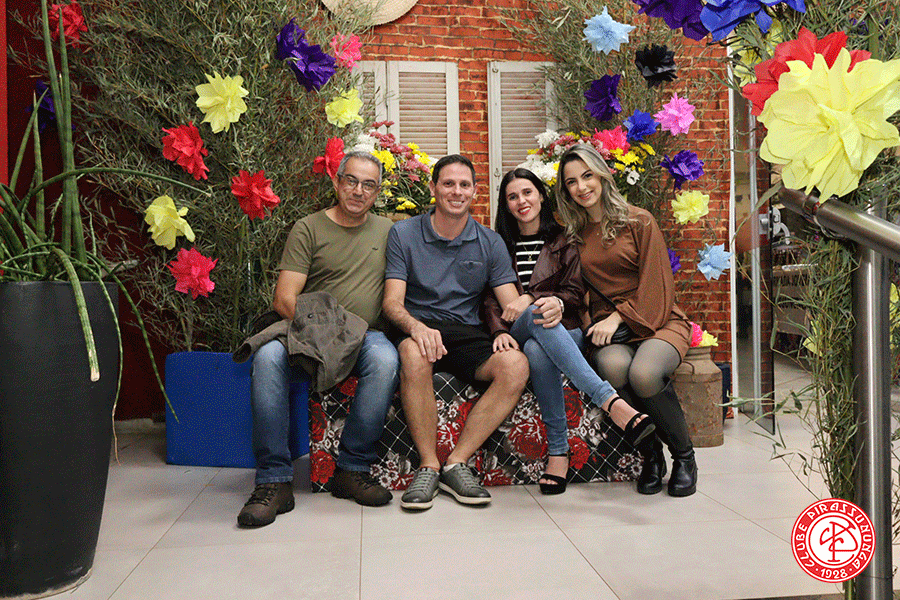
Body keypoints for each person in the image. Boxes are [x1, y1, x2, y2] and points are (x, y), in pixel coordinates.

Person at [237, 151, 399, 527]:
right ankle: (274, 481)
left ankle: (352, 469)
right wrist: (328, 334)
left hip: (365, 336)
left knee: (386, 359)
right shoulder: (308, 228)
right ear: (337, 182)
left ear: (377, 193)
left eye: (369, 185)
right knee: (267, 357)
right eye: (351, 180)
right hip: (308, 333)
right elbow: (284, 300)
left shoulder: (388, 231)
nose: (358, 191)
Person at [485, 168, 656, 495]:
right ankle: (611, 402)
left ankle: (558, 455)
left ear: (541, 195)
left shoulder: (565, 240)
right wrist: (498, 330)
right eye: (512, 197)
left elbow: (576, 292)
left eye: (527, 192)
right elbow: (488, 297)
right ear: (505, 205)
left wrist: (552, 301)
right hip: (517, 327)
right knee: (535, 316)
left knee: (538, 349)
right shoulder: (498, 246)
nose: (521, 201)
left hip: (565, 327)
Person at [382, 154, 530, 510]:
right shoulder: (403, 234)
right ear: (433, 188)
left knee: (515, 365)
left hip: (466, 332)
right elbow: (392, 302)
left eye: (465, 185)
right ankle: (429, 466)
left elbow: (510, 303)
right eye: (448, 183)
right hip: (419, 327)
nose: (456, 191)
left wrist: (534, 301)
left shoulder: (490, 241)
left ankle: (456, 463)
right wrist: (416, 327)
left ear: (475, 192)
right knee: (412, 352)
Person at [555, 144, 697, 498]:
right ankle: (652, 456)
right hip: (610, 329)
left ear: (603, 175)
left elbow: (658, 285)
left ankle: (684, 457)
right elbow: (579, 291)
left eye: (587, 176)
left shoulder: (638, 220)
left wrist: (619, 316)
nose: (581, 187)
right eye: (571, 182)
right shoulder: (574, 234)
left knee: (644, 373)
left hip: (658, 317)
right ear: (565, 190)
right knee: (613, 367)